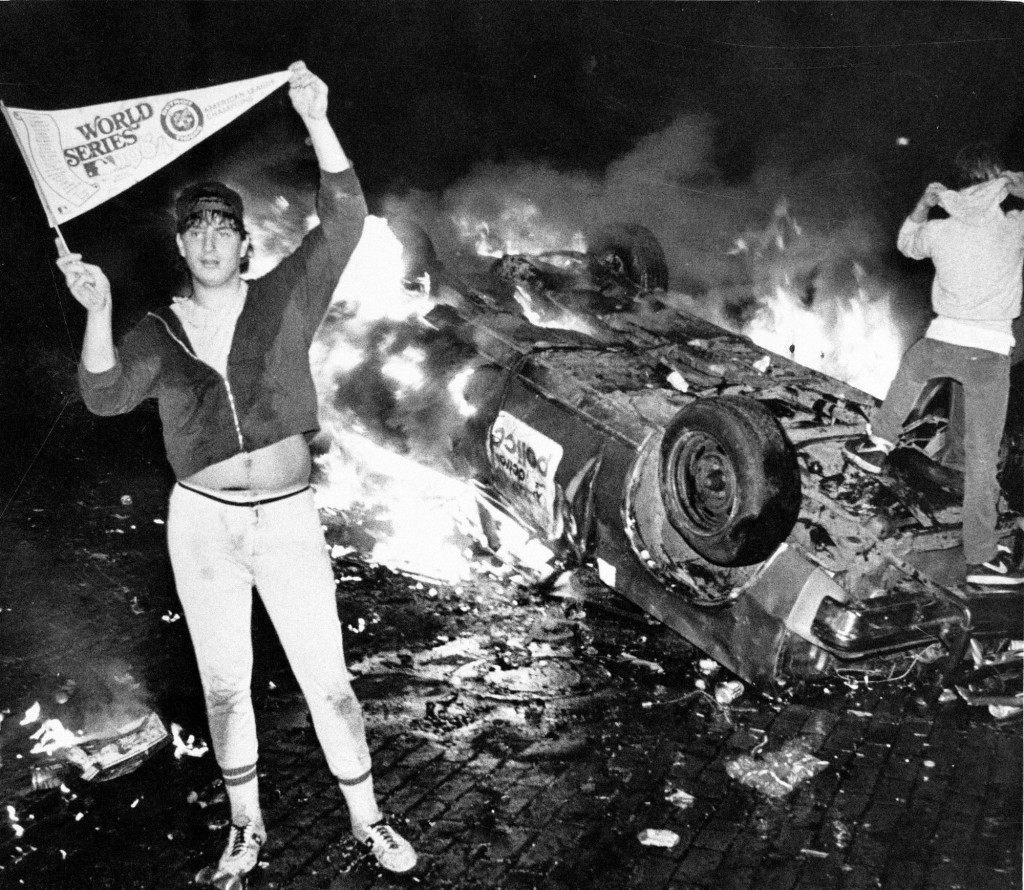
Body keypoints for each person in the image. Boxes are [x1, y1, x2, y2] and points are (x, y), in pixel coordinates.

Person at [56, 61, 417, 880]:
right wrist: (101, 311)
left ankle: (369, 820)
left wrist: (317, 119)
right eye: (197, 229)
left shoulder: (285, 295)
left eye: (225, 226)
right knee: (226, 688)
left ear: (246, 242)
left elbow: (347, 216)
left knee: (328, 681)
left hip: (287, 518)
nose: (212, 239)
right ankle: (245, 828)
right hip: (205, 527)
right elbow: (105, 395)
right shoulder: (157, 330)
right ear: (181, 246)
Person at [844, 144, 1024, 588]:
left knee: (912, 368)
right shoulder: (1015, 228)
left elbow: (906, 243)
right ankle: (981, 559)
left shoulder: (941, 232)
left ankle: (878, 442)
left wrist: (925, 205)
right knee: (982, 459)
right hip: (991, 352)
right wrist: (1018, 183)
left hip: (943, 339)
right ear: (995, 189)